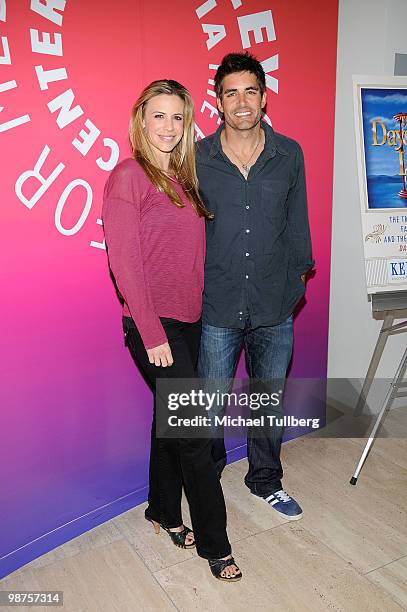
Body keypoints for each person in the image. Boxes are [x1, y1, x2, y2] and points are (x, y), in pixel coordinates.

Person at [102, 79, 241, 581]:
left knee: (172, 422)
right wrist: (152, 332)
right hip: (152, 324)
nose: (168, 126)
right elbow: (126, 265)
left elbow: (194, 257)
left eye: (177, 116)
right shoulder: (128, 176)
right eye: (158, 115)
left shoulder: (185, 177)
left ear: (186, 124)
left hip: (191, 320)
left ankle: (162, 510)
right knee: (196, 433)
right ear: (142, 121)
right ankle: (215, 545)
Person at [197, 53, 314, 519]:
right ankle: (204, 485)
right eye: (231, 93)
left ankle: (265, 480)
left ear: (264, 98)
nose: (241, 102)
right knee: (207, 404)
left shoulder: (289, 153)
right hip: (217, 302)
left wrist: (295, 279)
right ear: (219, 102)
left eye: (250, 91)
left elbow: (298, 224)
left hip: (273, 303)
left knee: (268, 401)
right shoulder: (198, 156)